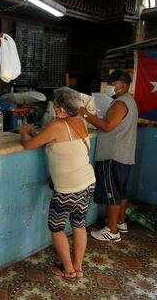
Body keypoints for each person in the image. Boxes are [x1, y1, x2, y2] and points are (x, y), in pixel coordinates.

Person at [20, 89, 96, 278]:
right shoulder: (81, 121)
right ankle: (78, 267)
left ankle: (68, 270)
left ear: (61, 109)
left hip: (68, 189)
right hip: (87, 182)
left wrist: (23, 132)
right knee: (79, 223)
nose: (53, 108)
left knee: (56, 227)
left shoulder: (56, 125)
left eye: (54, 105)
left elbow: (29, 145)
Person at [78, 70, 138, 242]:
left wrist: (85, 114)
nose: (110, 87)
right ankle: (120, 223)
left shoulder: (121, 103)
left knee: (112, 194)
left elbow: (107, 126)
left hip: (113, 155)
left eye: (114, 84)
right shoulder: (129, 101)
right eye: (109, 84)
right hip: (124, 155)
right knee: (120, 192)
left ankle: (112, 232)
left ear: (124, 85)